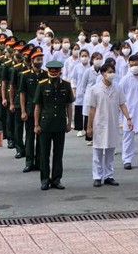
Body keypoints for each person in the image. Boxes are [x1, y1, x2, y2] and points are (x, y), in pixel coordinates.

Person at [87, 62, 133, 187]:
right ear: (103, 74)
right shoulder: (95, 89)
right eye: (109, 72)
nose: (111, 74)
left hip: (112, 123)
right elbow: (92, 109)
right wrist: (89, 127)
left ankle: (108, 175)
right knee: (97, 151)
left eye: (113, 71)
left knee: (110, 151)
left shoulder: (117, 88)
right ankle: (97, 176)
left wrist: (128, 118)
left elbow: (122, 104)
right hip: (99, 123)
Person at [34, 61, 74, 190]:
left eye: (56, 71)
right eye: (51, 71)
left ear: (60, 72)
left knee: (58, 154)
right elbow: (38, 106)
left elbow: (69, 105)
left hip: (59, 124)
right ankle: (45, 180)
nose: (54, 74)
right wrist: (36, 124)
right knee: (44, 154)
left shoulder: (66, 85)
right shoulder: (42, 85)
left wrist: (69, 122)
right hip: (45, 124)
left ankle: (57, 179)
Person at [19, 48, 45, 173]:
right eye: (37, 59)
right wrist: (23, 111)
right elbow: (22, 93)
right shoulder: (25, 75)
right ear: (32, 60)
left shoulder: (45, 75)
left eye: (41, 59)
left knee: (41, 138)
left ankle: (40, 162)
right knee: (29, 137)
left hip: (43, 111)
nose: (39, 61)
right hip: (30, 110)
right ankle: (29, 162)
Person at [71, 49, 90, 137]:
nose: (84, 58)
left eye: (86, 56)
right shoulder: (77, 67)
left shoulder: (91, 67)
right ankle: (79, 128)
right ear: (80, 57)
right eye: (82, 56)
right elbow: (74, 80)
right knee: (78, 110)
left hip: (88, 92)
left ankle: (87, 128)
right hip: (79, 91)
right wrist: (74, 91)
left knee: (87, 111)